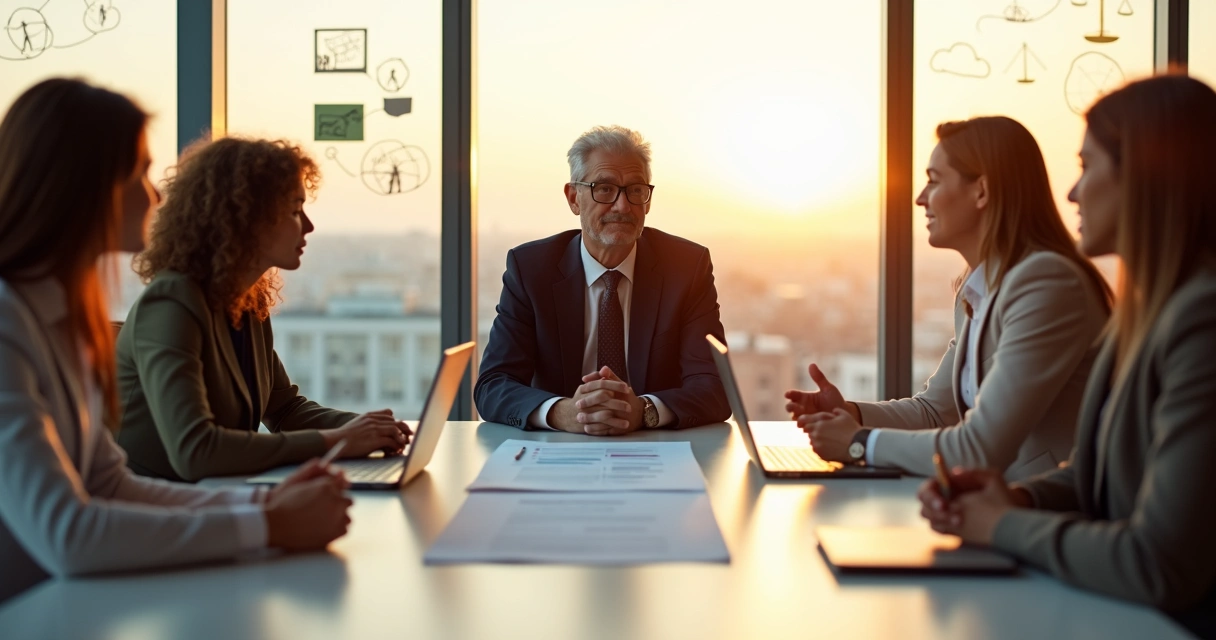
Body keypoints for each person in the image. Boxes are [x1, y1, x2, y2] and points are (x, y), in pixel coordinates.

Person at [0, 78, 351, 604]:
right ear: (81, 187)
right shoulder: (8, 325)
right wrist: (268, 526)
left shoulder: (62, 317)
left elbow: (109, 484)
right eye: (139, 172)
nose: (157, 194)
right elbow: (69, 534)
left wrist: (266, 508)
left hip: (69, 598)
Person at [919, 75, 1216, 637]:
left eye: (1086, 167)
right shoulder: (1149, 312)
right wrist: (1016, 496)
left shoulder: (1200, 322)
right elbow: (1094, 473)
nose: (1073, 193)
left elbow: (1159, 562)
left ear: (1146, 178)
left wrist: (1001, 525)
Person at [787, 116, 1111, 480]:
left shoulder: (1047, 284)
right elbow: (935, 412)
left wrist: (859, 442)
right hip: (991, 506)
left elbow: (979, 448)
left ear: (982, 191)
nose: (920, 198)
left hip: (1043, 511)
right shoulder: (978, 288)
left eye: (934, 181)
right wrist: (850, 413)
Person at [115, 136, 412, 482]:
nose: (309, 226)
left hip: (213, 499)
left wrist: (368, 429)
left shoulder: (248, 303)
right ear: (244, 219)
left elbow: (284, 409)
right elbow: (195, 452)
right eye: (293, 210)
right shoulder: (171, 304)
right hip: (157, 513)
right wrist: (338, 440)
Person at [475, 125, 730, 435]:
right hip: (556, 456)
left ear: (647, 201)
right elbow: (493, 385)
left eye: (635, 190)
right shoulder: (531, 268)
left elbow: (715, 387)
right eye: (604, 188)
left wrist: (643, 411)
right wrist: (565, 413)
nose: (622, 206)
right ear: (574, 198)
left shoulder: (687, 267)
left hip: (657, 453)